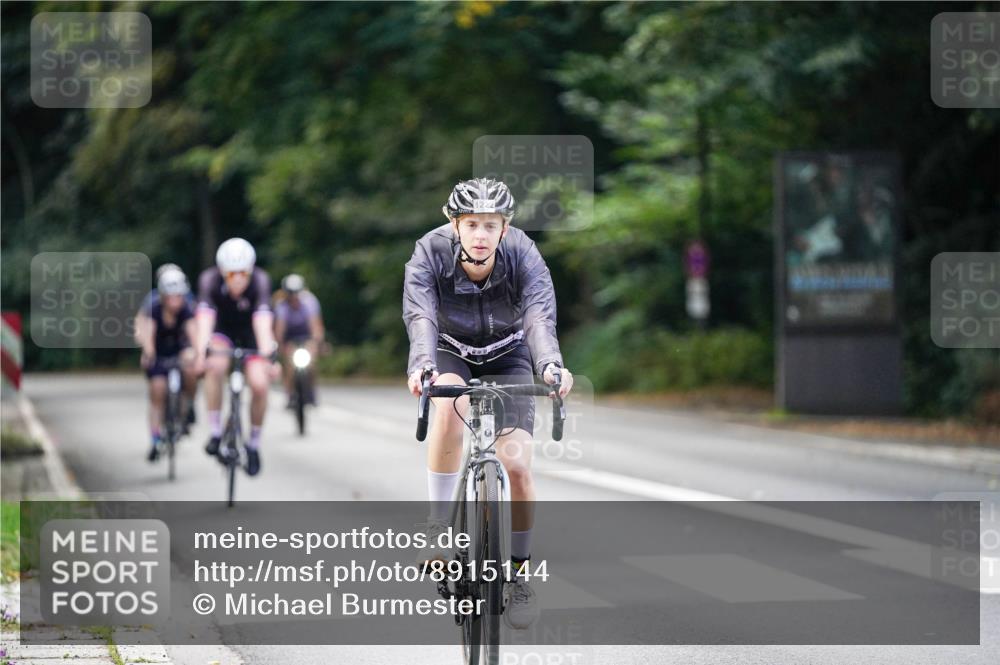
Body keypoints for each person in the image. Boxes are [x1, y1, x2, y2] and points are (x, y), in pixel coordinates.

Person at [403, 177, 575, 629]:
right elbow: (419, 313)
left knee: (517, 465)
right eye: (472, 224)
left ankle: (519, 574)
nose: (481, 235)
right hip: (450, 349)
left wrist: (552, 366)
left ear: (505, 229)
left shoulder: (523, 254)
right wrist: (422, 365)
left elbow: (539, 314)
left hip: (510, 352)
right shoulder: (429, 251)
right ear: (456, 226)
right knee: (447, 405)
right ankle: (438, 525)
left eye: (491, 225)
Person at [193, 238, 279, 477]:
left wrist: (268, 358)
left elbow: (263, 322)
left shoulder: (261, 281)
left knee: (260, 386)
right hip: (223, 331)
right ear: (222, 272)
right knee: (215, 365)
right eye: (232, 275)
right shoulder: (209, 280)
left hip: (250, 333)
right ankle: (216, 431)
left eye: (243, 273)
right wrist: (201, 353)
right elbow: (204, 321)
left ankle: (253, 444)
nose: (238, 279)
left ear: (250, 271)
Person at [137, 267, 198, 462]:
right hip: (160, 353)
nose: (175, 301)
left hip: (180, 352)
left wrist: (196, 352)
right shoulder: (153, 308)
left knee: (190, 370)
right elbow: (148, 333)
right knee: (157, 390)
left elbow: (193, 332)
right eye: (171, 296)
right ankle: (155, 439)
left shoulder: (187, 309)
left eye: (179, 296)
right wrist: (148, 352)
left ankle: (188, 406)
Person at [274, 274, 325, 408]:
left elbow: (316, 326)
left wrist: (316, 342)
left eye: (296, 293)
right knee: (289, 364)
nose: (294, 297)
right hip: (290, 338)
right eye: (290, 294)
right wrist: (280, 346)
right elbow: (280, 330)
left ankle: (312, 392)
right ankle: (290, 394)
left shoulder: (310, 302)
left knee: (311, 363)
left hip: (306, 336)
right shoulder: (282, 306)